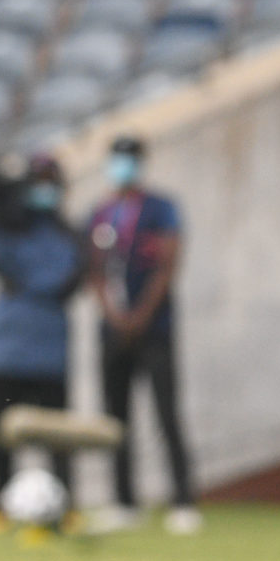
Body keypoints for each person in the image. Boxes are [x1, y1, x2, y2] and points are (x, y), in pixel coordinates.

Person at [86, 135, 199, 535]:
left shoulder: (160, 208)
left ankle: (183, 501)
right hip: (112, 330)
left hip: (155, 327)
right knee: (116, 417)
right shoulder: (100, 212)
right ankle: (123, 500)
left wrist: (140, 315)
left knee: (166, 411)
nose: (123, 166)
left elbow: (168, 265)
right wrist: (114, 315)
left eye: (130, 158)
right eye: (118, 158)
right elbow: (94, 268)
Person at [0, 153, 84, 534]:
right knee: (3, 436)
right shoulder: (7, 227)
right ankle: (1, 508)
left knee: (59, 437)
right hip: (7, 351)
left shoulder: (66, 233)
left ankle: (66, 508)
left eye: (49, 182)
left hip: (50, 352)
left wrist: (29, 281)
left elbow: (63, 273)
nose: (44, 190)